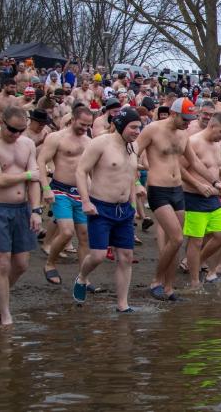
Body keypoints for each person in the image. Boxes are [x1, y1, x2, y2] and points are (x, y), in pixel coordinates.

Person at [136, 97, 221, 301]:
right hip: (158, 189)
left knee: (174, 242)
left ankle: (169, 288)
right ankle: (156, 281)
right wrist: (136, 183)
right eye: (184, 119)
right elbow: (133, 154)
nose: (187, 123)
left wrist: (214, 181)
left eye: (189, 120)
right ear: (173, 114)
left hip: (177, 190)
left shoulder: (183, 134)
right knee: (177, 237)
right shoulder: (152, 130)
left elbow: (194, 162)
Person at [72, 108, 143, 312]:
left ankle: (123, 305)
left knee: (126, 256)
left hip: (124, 210)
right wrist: (85, 201)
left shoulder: (134, 146)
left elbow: (130, 174)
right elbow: (81, 171)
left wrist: (133, 200)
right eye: (133, 127)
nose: (137, 131)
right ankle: (82, 277)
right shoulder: (100, 143)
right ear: (120, 125)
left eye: (139, 127)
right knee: (98, 255)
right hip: (100, 207)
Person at [36, 106, 94, 286]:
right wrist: (46, 188)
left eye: (88, 125)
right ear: (73, 119)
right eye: (82, 124)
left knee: (84, 236)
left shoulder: (89, 141)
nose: (85, 128)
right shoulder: (57, 137)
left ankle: (83, 278)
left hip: (81, 193)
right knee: (67, 232)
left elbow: (91, 170)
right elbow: (41, 161)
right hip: (60, 190)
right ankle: (50, 263)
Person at [179, 113, 221, 287]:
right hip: (193, 196)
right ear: (212, 126)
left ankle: (194, 262)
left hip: (212, 195)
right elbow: (180, 168)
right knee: (196, 240)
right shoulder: (194, 142)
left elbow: (211, 164)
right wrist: (197, 185)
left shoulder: (217, 143)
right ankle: (194, 281)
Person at [0, 107, 42, 325]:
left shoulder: (27, 144)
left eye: (21, 130)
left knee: (22, 264)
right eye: (12, 130)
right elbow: (0, 180)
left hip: (22, 209)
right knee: (2, 264)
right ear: (1, 122)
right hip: (0, 208)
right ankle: (5, 315)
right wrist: (27, 174)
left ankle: (1, 299)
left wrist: (36, 210)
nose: (16, 134)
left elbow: (35, 180)